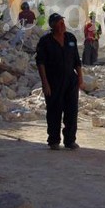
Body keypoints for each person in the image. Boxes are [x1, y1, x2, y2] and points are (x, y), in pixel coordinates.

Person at [36, 13, 83, 150]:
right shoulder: (45, 41)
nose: (63, 25)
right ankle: (54, 140)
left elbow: (77, 60)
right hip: (53, 81)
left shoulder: (70, 38)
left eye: (63, 22)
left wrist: (80, 77)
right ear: (53, 26)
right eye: (60, 23)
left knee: (71, 111)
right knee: (54, 111)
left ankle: (70, 140)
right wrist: (45, 83)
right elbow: (40, 63)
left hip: (70, 80)